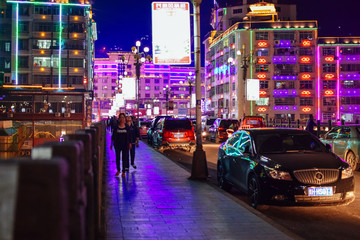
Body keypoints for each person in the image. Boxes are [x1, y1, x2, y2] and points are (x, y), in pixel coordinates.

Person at [110, 113, 131, 177]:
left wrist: (130, 143)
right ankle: (118, 170)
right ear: (119, 119)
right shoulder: (116, 127)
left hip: (125, 145)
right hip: (117, 145)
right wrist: (111, 144)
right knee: (118, 158)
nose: (122, 119)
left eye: (123, 117)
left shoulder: (127, 127)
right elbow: (113, 136)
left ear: (124, 118)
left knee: (124, 158)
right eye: (121, 117)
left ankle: (123, 171)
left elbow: (129, 136)